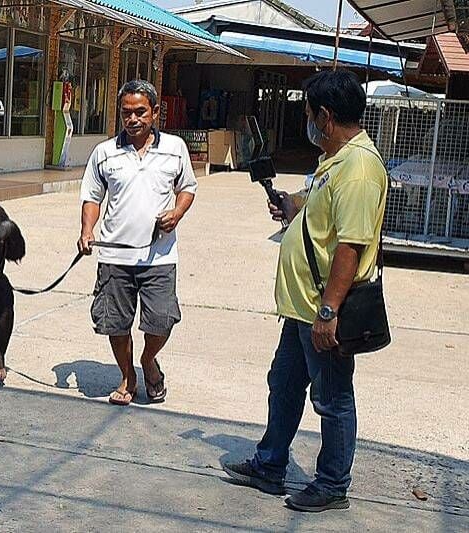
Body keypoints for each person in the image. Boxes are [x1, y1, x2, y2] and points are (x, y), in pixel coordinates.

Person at [223, 70, 388, 512]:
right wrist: (290, 203)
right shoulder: (335, 160)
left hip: (322, 310)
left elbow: (350, 247)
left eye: (310, 114)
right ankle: (270, 464)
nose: (308, 122)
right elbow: (319, 206)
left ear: (326, 116)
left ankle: (332, 485)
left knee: (331, 399)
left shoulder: (357, 169)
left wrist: (329, 312)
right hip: (301, 306)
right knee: (284, 384)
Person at [77, 79, 197, 406]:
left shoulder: (175, 148)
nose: (133, 119)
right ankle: (128, 376)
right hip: (115, 256)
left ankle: (147, 360)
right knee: (115, 323)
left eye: (140, 112)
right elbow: (91, 196)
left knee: (161, 320)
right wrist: (88, 231)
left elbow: (187, 187)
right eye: (126, 113)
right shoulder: (105, 153)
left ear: (155, 113)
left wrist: (178, 212)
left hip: (159, 256)